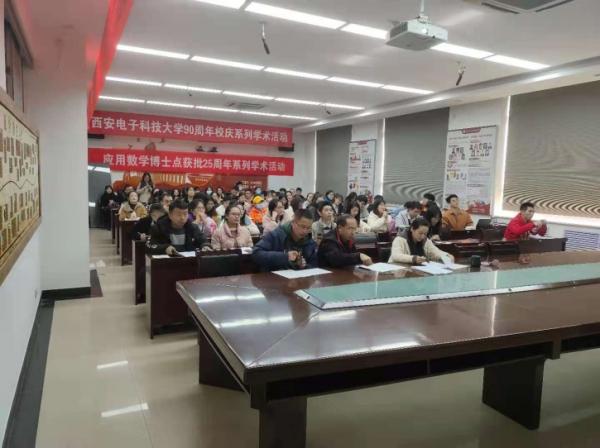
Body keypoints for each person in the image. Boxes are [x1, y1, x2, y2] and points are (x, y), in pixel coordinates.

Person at [252, 209, 318, 271]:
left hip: (299, 278)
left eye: (308, 228)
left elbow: (314, 266)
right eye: (303, 227)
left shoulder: (310, 242)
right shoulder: (277, 235)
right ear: (293, 223)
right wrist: (285, 257)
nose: (305, 231)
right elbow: (256, 253)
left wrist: (304, 266)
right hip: (274, 277)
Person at [389, 218, 454, 265]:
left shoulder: (425, 240)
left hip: (415, 271)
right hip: (399, 271)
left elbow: (435, 251)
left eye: (425, 234)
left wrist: (447, 255)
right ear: (412, 229)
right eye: (420, 233)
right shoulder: (400, 239)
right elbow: (396, 256)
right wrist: (413, 259)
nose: (422, 236)